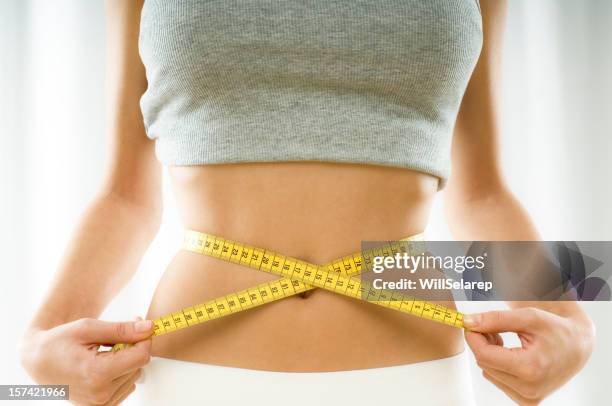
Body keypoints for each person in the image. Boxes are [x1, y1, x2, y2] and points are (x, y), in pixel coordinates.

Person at [20, 0, 595, 405]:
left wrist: (576, 320)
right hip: (195, 372)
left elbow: (481, 192)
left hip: (415, 372)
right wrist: (38, 342)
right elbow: (126, 197)